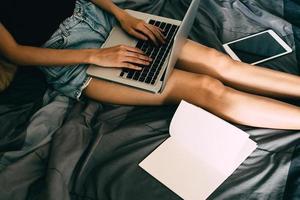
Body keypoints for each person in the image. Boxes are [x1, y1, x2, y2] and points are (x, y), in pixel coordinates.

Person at [0, 0, 300, 130]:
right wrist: (95, 56)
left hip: (102, 21)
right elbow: (14, 53)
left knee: (217, 62)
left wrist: (121, 14)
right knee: (205, 87)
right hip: (71, 60)